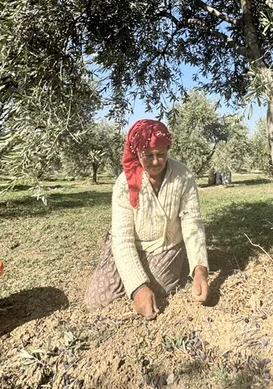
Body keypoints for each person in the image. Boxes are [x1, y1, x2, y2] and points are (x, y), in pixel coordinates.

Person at [83, 119, 209, 319]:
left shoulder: (183, 176)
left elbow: (191, 222)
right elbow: (122, 239)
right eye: (148, 155)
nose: (156, 161)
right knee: (97, 300)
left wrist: (199, 269)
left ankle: (177, 267)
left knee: (158, 292)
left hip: (165, 248)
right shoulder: (124, 183)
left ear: (168, 149)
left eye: (161, 154)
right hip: (132, 246)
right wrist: (138, 287)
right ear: (137, 153)